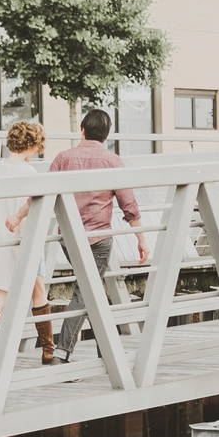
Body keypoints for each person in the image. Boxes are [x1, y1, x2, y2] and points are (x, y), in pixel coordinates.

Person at [0, 121, 59, 373]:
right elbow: (31, 203)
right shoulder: (28, 173)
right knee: (38, 292)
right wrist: (18, 219)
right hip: (23, 240)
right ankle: (49, 353)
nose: (37, 152)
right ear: (29, 145)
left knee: (2, 295)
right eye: (37, 147)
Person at [50, 107, 146, 362]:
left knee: (92, 290)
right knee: (86, 291)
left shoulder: (63, 158)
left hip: (69, 238)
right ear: (106, 135)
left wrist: (18, 217)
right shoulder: (112, 161)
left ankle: (107, 349)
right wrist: (141, 239)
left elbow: (42, 195)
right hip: (99, 239)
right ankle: (62, 352)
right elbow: (129, 205)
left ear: (82, 130)